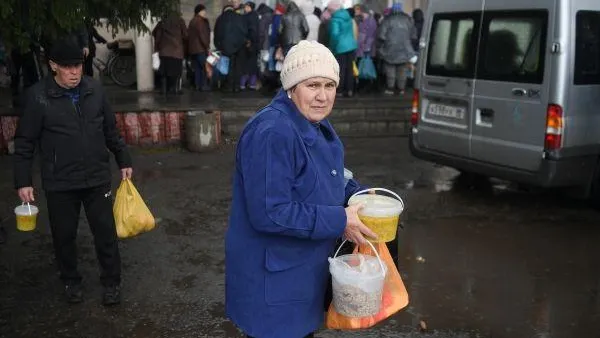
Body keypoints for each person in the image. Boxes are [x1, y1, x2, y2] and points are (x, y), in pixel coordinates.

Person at [225, 40, 377, 338]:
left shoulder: (312, 121)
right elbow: (270, 212)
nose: (322, 96)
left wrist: (359, 195)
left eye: (329, 85)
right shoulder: (273, 133)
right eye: (312, 85)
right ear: (292, 87)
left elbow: (325, 175)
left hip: (300, 272)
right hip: (274, 281)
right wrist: (340, 219)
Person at [12, 36, 133, 306]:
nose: (75, 72)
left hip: (96, 177)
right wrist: (23, 181)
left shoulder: (95, 90)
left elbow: (110, 131)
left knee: (105, 234)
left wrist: (123, 159)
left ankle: (112, 283)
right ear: (53, 65)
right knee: (63, 236)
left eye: (78, 65)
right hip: (60, 182)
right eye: (68, 67)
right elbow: (25, 143)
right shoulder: (37, 97)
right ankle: (71, 281)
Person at [188, 4, 211, 91]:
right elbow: (202, 35)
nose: (205, 12)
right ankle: (204, 86)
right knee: (204, 68)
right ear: (199, 12)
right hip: (200, 49)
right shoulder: (200, 21)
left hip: (193, 50)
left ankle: (197, 85)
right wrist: (207, 47)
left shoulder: (192, 21)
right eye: (203, 11)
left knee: (197, 69)